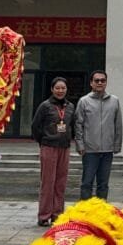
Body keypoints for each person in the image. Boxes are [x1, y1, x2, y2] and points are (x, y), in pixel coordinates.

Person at [31, 77, 76, 226]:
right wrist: (43, 141)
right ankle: (44, 215)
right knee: (48, 182)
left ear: (66, 89)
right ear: (52, 89)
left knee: (61, 182)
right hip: (49, 147)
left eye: (63, 88)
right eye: (57, 88)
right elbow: (35, 126)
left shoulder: (70, 107)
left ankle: (57, 214)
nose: (60, 91)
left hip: (64, 147)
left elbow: (72, 125)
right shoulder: (45, 106)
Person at [74, 70, 122, 201]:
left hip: (107, 150)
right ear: (91, 83)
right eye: (97, 80)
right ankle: (85, 210)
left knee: (103, 184)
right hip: (89, 150)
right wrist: (80, 144)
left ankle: (101, 209)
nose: (100, 83)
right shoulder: (84, 101)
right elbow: (78, 124)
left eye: (103, 80)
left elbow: (118, 125)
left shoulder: (114, 101)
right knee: (87, 183)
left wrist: (117, 145)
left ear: (106, 82)